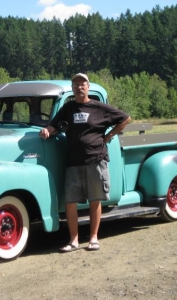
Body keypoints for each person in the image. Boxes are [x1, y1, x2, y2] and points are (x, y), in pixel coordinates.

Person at [39, 73, 131, 252]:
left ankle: (94, 238)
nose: (79, 87)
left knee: (94, 201)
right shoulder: (68, 108)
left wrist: (109, 136)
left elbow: (125, 118)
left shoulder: (99, 107)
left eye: (82, 84)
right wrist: (47, 131)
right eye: (75, 84)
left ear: (88, 87)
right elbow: (55, 125)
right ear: (72, 89)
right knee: (70, 201)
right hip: (73, 162)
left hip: (95, 159)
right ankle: (73, 240)